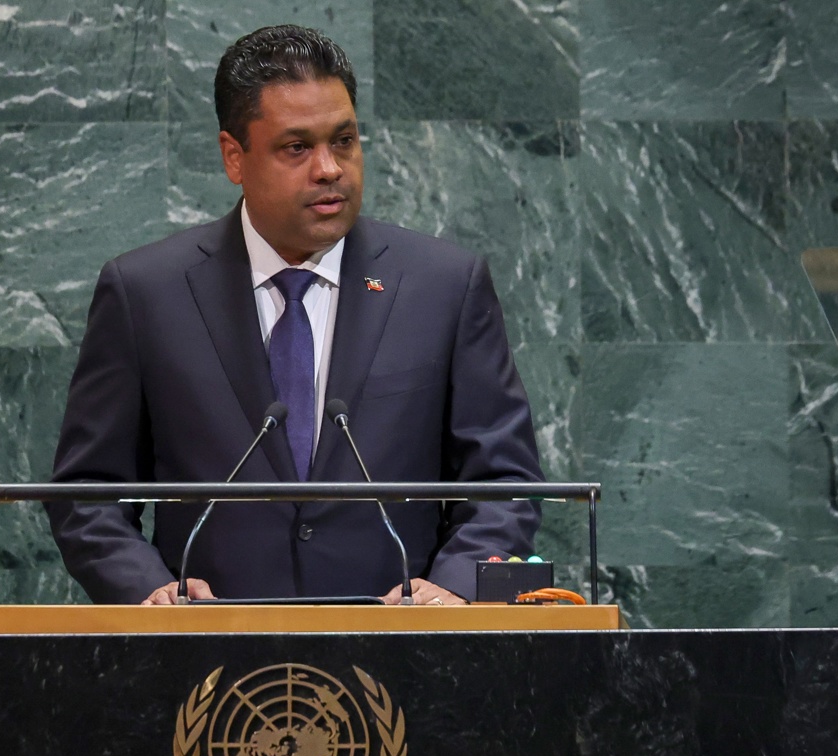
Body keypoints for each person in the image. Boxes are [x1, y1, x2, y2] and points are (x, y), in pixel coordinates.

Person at [47, 24, 544, 606]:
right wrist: (149, 589)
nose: (330, 168)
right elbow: (88, 491)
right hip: (206, 660)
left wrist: (455, 588)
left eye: (344, 140)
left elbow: (503, 480)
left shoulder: (443, 286)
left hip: (404, 654)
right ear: (235, 156)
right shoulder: (146, 293)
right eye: (297, 147)